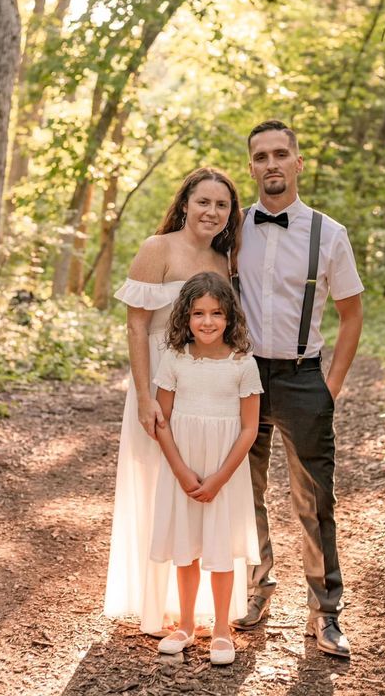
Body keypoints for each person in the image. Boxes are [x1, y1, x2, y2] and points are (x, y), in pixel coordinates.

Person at [232, 119, 364, 658]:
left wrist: (330, 385)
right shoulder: (232, 228)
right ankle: (257, 586)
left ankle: (325, 612)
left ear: (298, 162)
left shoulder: (329, 234)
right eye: (260, 156)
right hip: (240, 377)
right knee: (245, 492)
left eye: (280, 154)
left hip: (303, 377)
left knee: (315, 499)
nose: (271, 164)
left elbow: (351, 314)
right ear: (251, 167)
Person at [103, 168, 243, 636]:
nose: (212, 212)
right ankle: (155, 603)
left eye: (222, 205)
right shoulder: (156, 249)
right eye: (204, 202)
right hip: (158, 381)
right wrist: (144, 396)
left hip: (206, 386)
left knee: (200, 478)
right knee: (158, 483)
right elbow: (137, 326)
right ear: (185, 203)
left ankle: (200, 607)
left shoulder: (225, 260)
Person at [150, 272, 262, 664]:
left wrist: (218, 478)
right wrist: (181, 470)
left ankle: (220, 629)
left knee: (219, 548)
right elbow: (161, 420)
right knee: (186, 548)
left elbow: (249, 428)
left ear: (230, 317)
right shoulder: (174, 359)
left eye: (216, 313)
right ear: (186, 316)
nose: (208, 321)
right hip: (184, 465)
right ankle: (184, 624)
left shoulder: (243, 364)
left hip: (223, 470)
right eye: (198, 313)